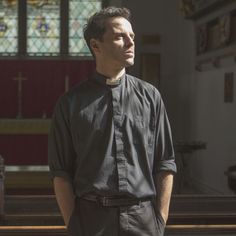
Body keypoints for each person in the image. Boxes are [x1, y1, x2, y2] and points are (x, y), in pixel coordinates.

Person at [48, 6, 176, 236]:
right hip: (91, 220)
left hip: (143, 219)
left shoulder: (151, 96)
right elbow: (61, 172)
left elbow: (165, 162)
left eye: (132, 36)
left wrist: (160, 220)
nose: (130, 42)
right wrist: (74, 224)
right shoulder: (70, 103)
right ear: (96, 46)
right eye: (120, 36)